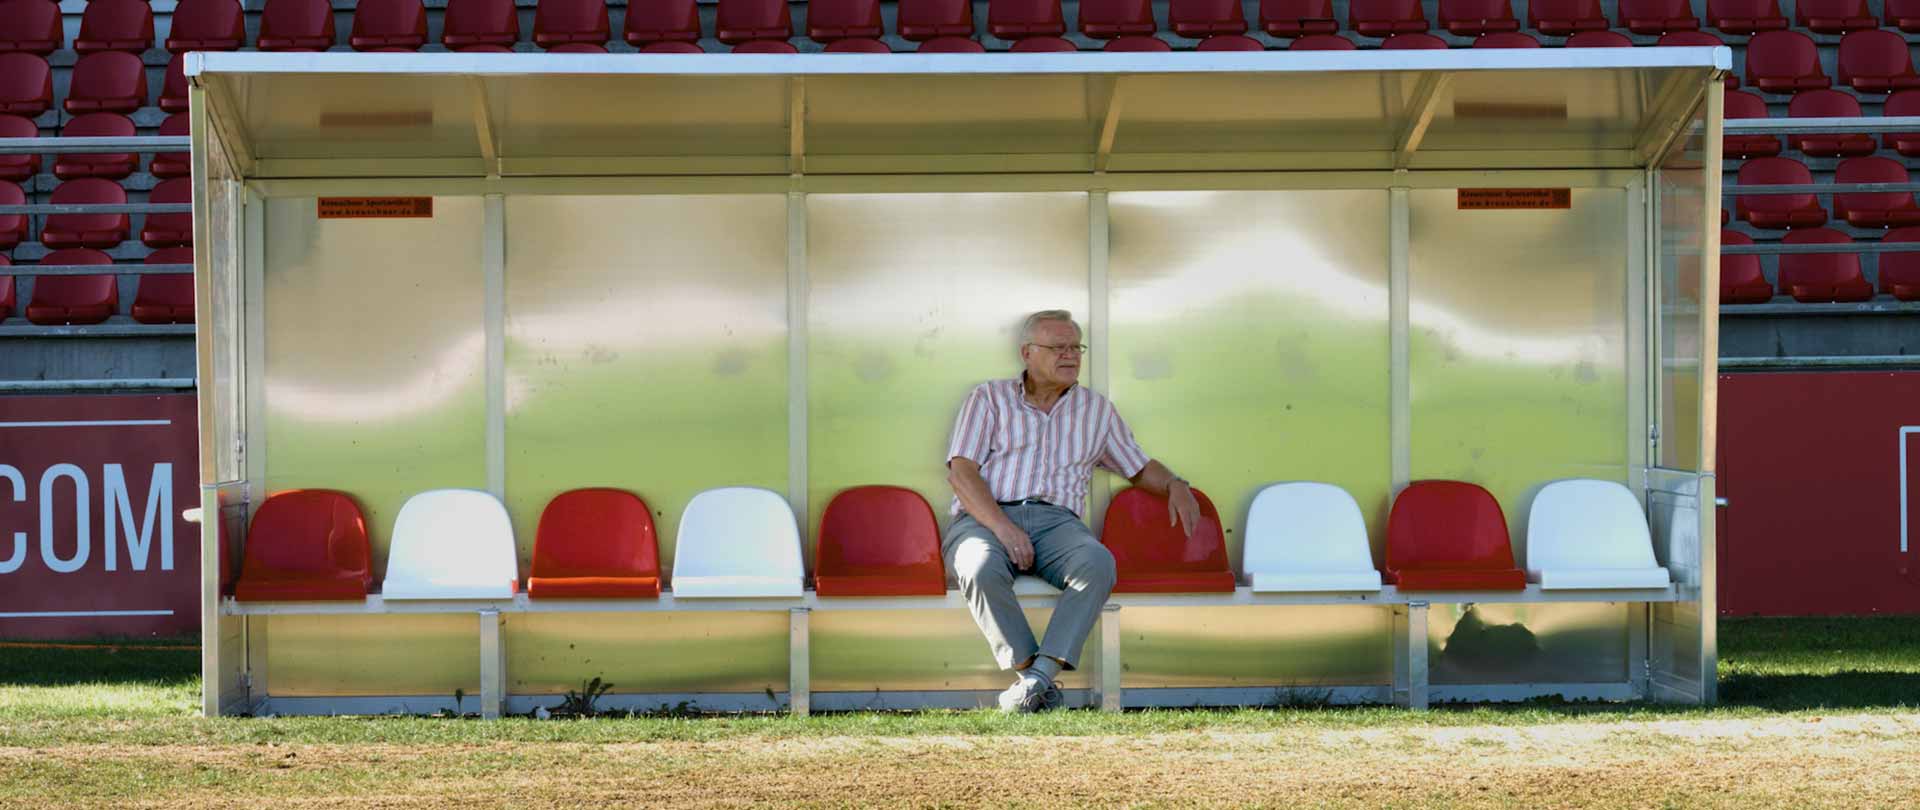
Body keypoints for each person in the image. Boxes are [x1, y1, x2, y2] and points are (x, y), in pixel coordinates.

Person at [944, 309, 1201, 713]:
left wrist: (1175, 483)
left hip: (1057, 523)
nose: (1070, 356)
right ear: (1027, 353)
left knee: (1097, 563)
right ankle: (1034, 680)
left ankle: (1036, 679)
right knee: (977, 566)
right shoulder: (988, 397)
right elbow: (962, 473)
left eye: (1075, 347)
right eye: (1057, 347)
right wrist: (1005, 529)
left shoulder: (1095, 410)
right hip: (984, 519)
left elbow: (1136, 465)